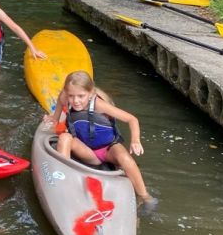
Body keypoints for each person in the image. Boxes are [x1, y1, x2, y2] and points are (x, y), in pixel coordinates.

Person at [51, 70, 156, 209]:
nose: (75, 101)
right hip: (86, 151)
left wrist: (135, 140)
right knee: (64, 137)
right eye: (71, 96)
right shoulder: (65, 97)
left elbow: (132, 119)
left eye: (81, 96)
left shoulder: (99, 105)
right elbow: (60, 100)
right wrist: (55, 117)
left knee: (125, 158)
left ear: (90, 93)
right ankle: (64, 179)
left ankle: (144, 196)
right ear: (66, 92)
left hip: (108, 149)